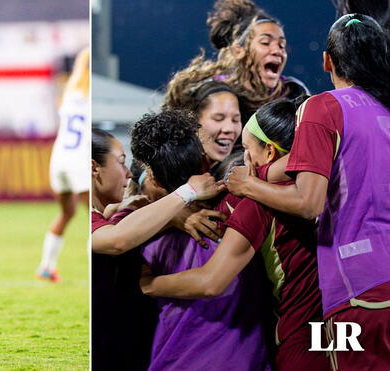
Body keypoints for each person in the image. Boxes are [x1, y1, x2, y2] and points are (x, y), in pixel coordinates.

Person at [226, 14, 390, 370]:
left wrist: (248, 183)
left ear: (327, 60)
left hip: (358, 291)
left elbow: (307, 202)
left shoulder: (322, 107)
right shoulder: (384, 111)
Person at [140, 99, 330, 371]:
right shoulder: (328, 181)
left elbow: (210, 282)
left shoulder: (253, 201)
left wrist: (147, 284)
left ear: (268, 152)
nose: (242, 161)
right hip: (346, 324)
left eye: (246, 150)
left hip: (301, 337)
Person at [130, 110, 270, 370]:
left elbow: (117, 215)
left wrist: (146, 284)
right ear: (206, 162)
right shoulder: (243, 208)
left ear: (155, 181)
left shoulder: (139, 236)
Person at [91, 127, 224, 370]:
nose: (128, 173)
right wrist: (188, 194)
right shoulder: (98, 223)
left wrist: (173, 213)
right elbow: (118, 240)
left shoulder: (118, 214)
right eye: (121, 163)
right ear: (93, 168)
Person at [165, 0, 310, 125]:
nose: (277, 51)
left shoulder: (294, 93)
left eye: (281, 45)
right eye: (265, 42)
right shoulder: (217, 94)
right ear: (238, 50)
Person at [36, 47, 90, 283]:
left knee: (66, 213)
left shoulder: (71, 92)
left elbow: (80, 66)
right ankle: (95, 276)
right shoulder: (91, 99)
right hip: (79, 161)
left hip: (59, 160)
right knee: (96, 219)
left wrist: (85, 54)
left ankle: (46, 267)